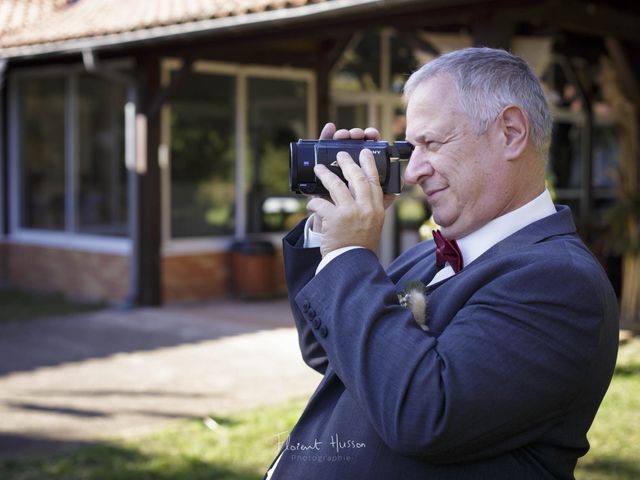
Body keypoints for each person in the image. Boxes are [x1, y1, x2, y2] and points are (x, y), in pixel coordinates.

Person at [265, 47, 619, 480]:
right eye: (409, 148)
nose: (412, 171)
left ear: (510, 132)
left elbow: (423, 413)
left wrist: (349, 256)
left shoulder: (561, 281)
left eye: (430, 143)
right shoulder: (426, 255)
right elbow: (329, 350)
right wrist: (327, 224)